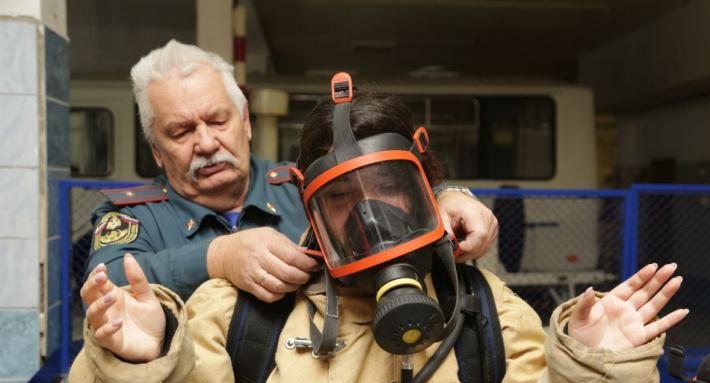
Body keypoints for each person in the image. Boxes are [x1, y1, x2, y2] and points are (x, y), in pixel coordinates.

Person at [63, 88, 689, 383]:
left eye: (388, 187)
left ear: (425, 189)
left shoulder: (482, 311)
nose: (368, 215)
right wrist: (136, 371)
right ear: (309, 207)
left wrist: (594, 379)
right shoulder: (244, 311)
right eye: (341, 198)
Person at [84, 39, 498, 303]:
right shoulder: (134, 215)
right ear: (157, 151)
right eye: (181, 131)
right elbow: (105, 285)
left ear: (245, 122)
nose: (206, 143)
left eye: (218, 121)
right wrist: (218, 257)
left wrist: (449, 196)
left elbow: (385, 193)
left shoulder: (305, 185)